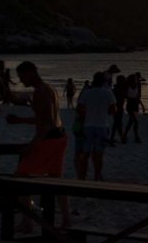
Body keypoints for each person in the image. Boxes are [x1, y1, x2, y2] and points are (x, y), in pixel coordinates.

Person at [6, 61, 70, 231]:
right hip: (59, 137)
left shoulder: (42, 91)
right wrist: (20, 120)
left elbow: (47, 124)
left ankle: (27, 221)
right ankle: (66, 219)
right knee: (56, 179)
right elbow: (45, 120)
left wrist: (32, 145)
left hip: (50, 139)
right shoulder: (49, 89)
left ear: (32, 72)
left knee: (20, 176)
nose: (21, 80)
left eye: (22, 76)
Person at [75, 72, 117, 181]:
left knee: (85, 153)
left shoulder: (87, 93)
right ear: (104, 81)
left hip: (88, 125)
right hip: (102, 125)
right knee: (98, 154)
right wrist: (104, 110)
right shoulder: (108, 93)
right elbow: (113, 110)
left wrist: (86, 115)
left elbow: (79, 108)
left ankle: (82, 178)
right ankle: (97, 177)